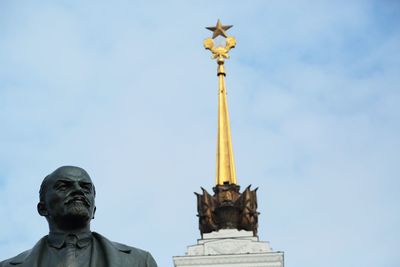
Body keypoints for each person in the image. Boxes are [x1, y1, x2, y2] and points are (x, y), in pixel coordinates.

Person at [0, 166, 158, 267]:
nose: (78, 191)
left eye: (85, 188)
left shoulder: (139, 261)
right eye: (64, 186)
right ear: (43, 208)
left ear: (93, 209)